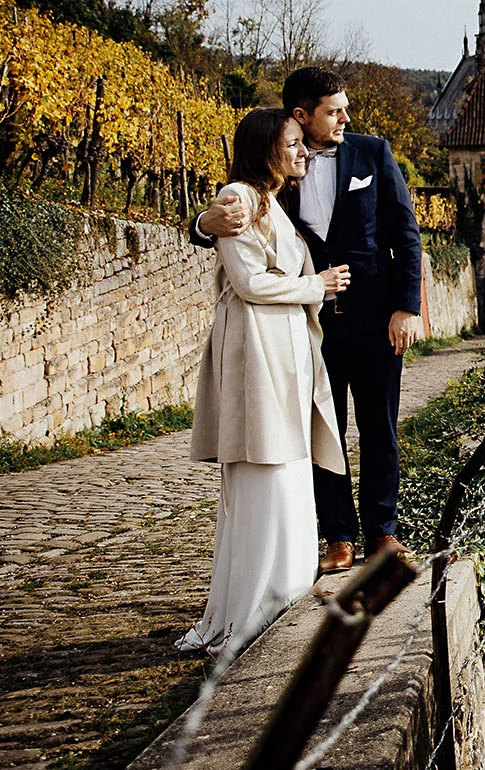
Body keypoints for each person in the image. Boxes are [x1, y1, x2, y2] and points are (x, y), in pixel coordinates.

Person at [194, 66, 425, 573]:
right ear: (302, 115)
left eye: (345, 109)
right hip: (309, 324)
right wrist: (202, 223)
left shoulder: (373, 153)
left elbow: (406, 234)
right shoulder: (281, 159)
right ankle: (338, 536)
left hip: (376, 320)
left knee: (380, 428)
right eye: (333, 111)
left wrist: (407, 307)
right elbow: (239, 208)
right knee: (323, 429)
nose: (345, 119)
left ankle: (383, 532)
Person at [180, 108, 349, 655]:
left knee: (291, 472)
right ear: (266, 148)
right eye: (293, 143)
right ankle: (256, 606)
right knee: (266, 470)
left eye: (303, 143)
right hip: (256, 348)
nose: (303, 152)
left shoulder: (273, 198)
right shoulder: (239, 198)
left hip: (285, 349)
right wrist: (318, 285)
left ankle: (284, 595)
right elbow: (250, 282)